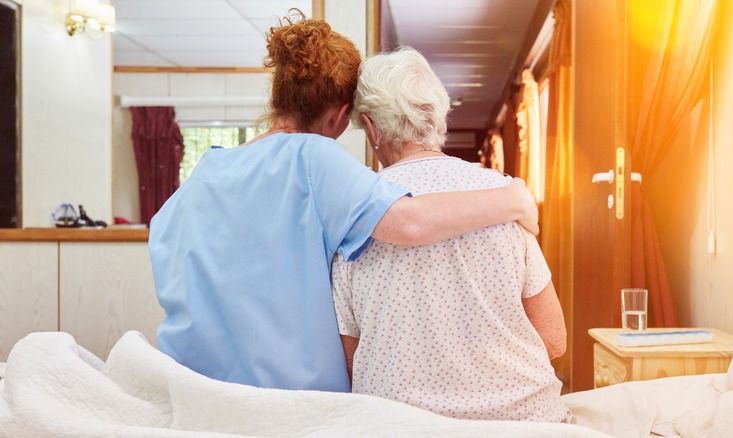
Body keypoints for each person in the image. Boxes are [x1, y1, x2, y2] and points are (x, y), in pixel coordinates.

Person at [148, 12, 539, 394]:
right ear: (338, 115)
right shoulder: (312, 155)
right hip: (290, 402)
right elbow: (410, 223)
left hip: (194, 387)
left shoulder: (208, 168)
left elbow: (168, 252)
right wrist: (514, 198)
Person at [331, 47, 571, 422]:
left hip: (401, 427)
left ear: (372, 128)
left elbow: (349, 360)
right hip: (525, 423)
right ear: (438, 116)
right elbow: (553, 339)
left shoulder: (355, 216)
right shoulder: (504, 197)